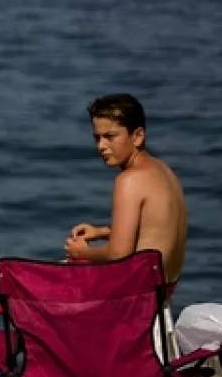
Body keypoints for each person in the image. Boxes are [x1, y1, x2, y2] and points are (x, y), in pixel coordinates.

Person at [64, 93, 188, 283]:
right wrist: (101, 232)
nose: (101, 146)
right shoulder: (163, 170)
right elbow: (154, 229)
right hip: (163, 291)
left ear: (137, 136)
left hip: (138, 299)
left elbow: (118, 254)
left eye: (110, 137)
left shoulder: (129, 180)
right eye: (97, 138)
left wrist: (83, 252)